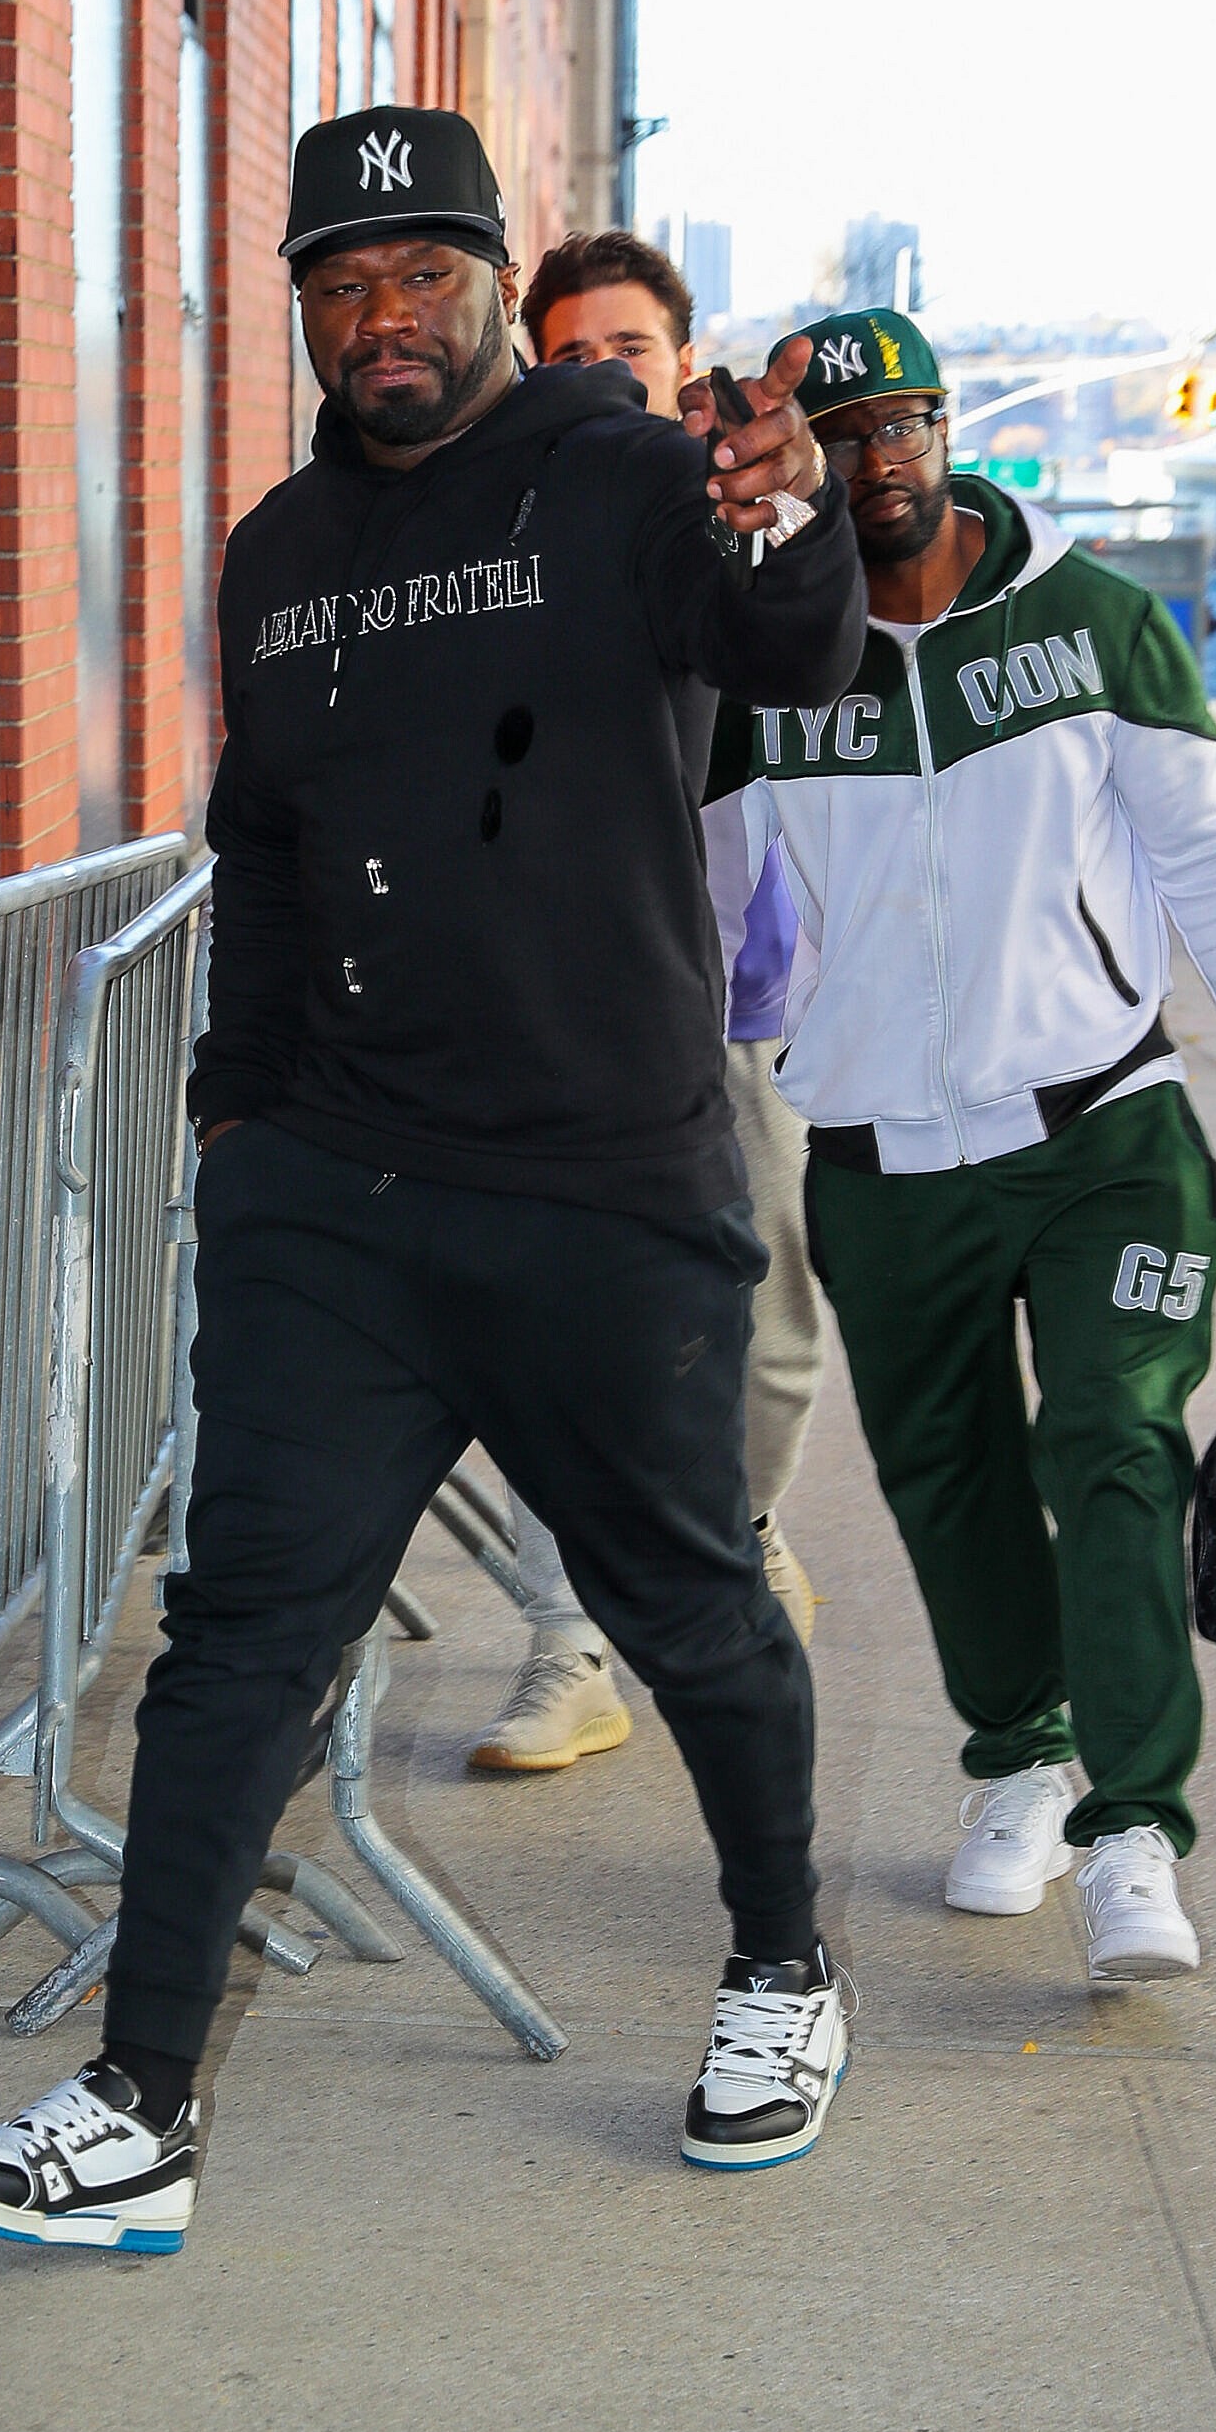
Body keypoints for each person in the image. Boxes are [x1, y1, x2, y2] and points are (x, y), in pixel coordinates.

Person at [0, 109, 866, 2253]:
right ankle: (136, 2098)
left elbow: (787, 649)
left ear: (493, 285)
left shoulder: (618, 475)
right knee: (236, 1634)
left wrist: (786, 519)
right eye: (334, 288)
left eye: (415, 274)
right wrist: (237, 1113)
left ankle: (781, 1963)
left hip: (599, 1179)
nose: (374, 320)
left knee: (685, 1600)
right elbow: (261, 833)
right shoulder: (275, 547)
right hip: (334, 1188)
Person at [706, 305, 1216, 1985]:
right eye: (842, 436)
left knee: (1112, 1441)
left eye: (904, 426)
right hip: (879, 1159)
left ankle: (1137, 1829)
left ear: (944, 431)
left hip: (1106, 1132)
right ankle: (1020, 1756)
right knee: (948, 1487)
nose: (880, 462)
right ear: (795, 459)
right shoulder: (767, 666)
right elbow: (715, 913)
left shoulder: (1091, 623)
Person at [465, 231, 825, 1776]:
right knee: (561, 1335)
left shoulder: (748, 512)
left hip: (741, 1002)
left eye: (630, 349)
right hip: (567, 1012)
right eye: (571, 354)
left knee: (772, 1333)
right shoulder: (522, 527)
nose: (602, 374)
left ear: (684, 364)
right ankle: (573, 1641)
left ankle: (731, 1528)